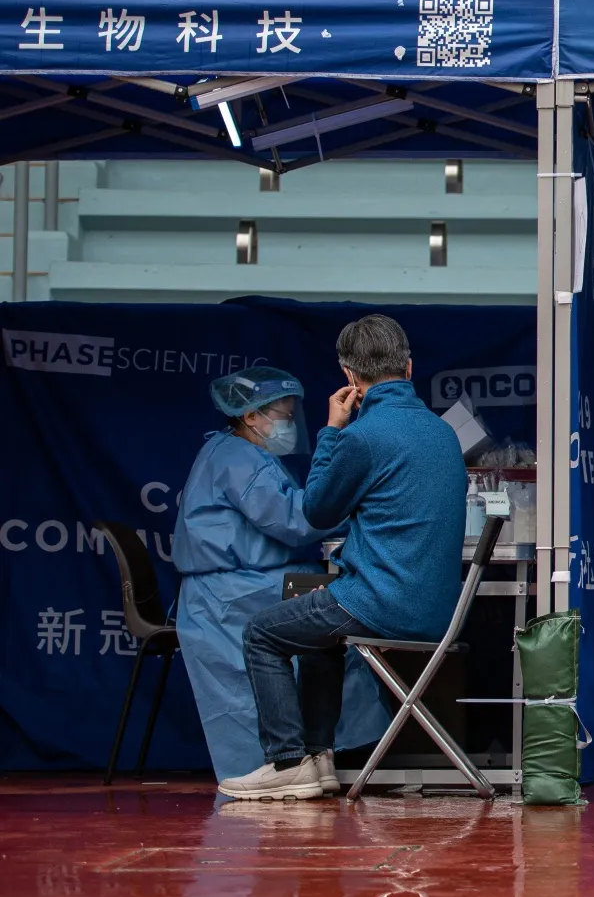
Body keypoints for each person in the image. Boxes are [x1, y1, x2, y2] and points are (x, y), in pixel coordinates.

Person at [219, 315, 469, 801]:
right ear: (409, 367)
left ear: (350, 377)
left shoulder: (362, 436)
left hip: (380, 601)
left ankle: (288, 762)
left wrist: (333, 429)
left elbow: (316, 509)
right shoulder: (442, 434)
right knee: (319, 635)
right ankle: (319, 760)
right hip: (437, 609)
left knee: (261, 633)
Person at [173, 367, 389, 794]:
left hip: (251, 583)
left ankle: (316, 754)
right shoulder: (237, 458)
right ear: (250, 416)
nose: (289, 424)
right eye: (281, 415)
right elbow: (294, 520)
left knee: (327, 633)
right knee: (325, 626)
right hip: (232, 595)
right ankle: (288, 761)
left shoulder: (245, 454)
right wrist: (359, 502)